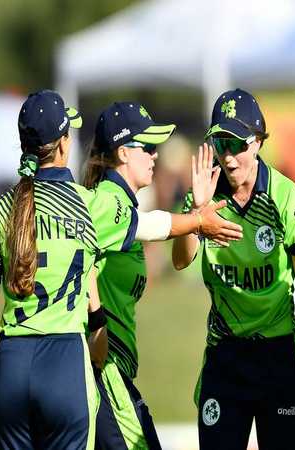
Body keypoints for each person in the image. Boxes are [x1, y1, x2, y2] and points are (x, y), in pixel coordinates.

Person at [0, 90, 242, 450]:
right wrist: (197, 221)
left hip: (12, 363)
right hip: (65, 361)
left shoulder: (2, 207)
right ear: (64, 143)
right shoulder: (86, 204)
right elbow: (150, 225)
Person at [172, 88, 295, 450]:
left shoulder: (286, 197)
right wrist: (196, 215)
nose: (228, 158)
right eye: (221, 145)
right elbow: (181, 261)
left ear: (258, 141)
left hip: (279, 359)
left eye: (238, 145)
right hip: (225, 357)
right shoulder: (205, 195)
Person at [83, 101, 217, 450]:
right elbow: (152, 226)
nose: (155, 156)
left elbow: (180, 261)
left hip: (115, 368)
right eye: (148, 148)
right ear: (123, 153)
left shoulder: (120, 203)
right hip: (101, 369)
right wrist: (199, 220)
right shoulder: (107, 201)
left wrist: (196, 209)